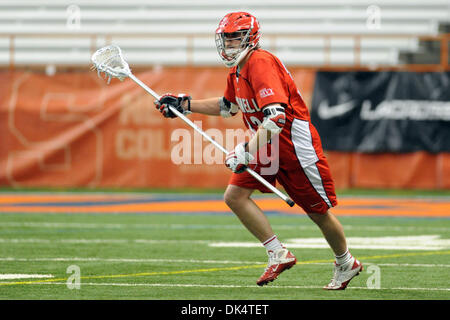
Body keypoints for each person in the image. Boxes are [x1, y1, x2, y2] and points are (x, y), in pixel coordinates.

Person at [154, 12, 362, 290]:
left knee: (317, 212)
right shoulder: (237, 70)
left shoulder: (260, 63)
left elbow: (276, 118)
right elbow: (228, 106)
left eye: (235, 37)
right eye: (226, 38)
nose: (229, 43)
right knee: (235, 195)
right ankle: (278, 253)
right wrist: (186, 104)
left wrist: (247, 151)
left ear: (250, 37)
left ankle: (346, 262)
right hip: (267, 145)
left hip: (293, 147)